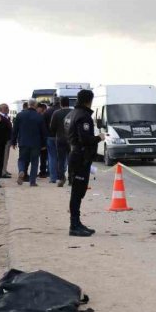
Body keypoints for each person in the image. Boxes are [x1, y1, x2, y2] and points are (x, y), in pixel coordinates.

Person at [65, 89, 105, 237]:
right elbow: (85, 139)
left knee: (78, 191)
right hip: (80, 156)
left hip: (75, 154)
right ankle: (74, 225)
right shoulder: (84, 116)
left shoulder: (71, 114)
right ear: (90, 100)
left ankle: (77, 222)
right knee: (77, 192)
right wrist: (99, 138)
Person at [10, 100, 48, 186]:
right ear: (35, 105)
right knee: (34, 162)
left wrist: (13, 141)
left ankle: (22, 171)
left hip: (23, 142)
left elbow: (15, 130)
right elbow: (44, 132)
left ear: (28, 105)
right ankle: (32, 181)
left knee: (22, 159)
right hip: (36, 143)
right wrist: (44, 144)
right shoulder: (39, 116)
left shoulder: (20, 115)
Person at [50, 97, 73, 186]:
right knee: (71, 159)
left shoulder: (56, 113)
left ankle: (61, 178)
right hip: (71, 140)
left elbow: (52, 128)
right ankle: (71, 179)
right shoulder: (73, 112)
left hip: (60, 139)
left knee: (61, 159)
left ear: (61, 104)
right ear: (69, 103)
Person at [42, 102, 59, 183]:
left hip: (50, 137)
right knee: (62, 157)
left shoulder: (47, 112)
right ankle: (60, 175)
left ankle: (52, 177)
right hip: (61, 137)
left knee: (52, 157)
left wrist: (45, 136)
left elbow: (43, 126)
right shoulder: (62, 111)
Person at [0, 104, 13, 178]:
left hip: (7, 139)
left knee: (6, 156)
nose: (8, 109)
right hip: (3, 140)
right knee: (4, 156)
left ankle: (4, 169)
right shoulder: (0, 117)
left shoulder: (6, 116)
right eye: (6, 108)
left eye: (8, 108)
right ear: (1, 109)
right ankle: (2, 172)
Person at [37, 103, 50, 178]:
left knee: (43, 157)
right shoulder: (44, 116)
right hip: (44, 139)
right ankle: (44, 171)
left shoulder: (42, 116)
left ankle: (43, 171)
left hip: (42, 140)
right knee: (44, 157)